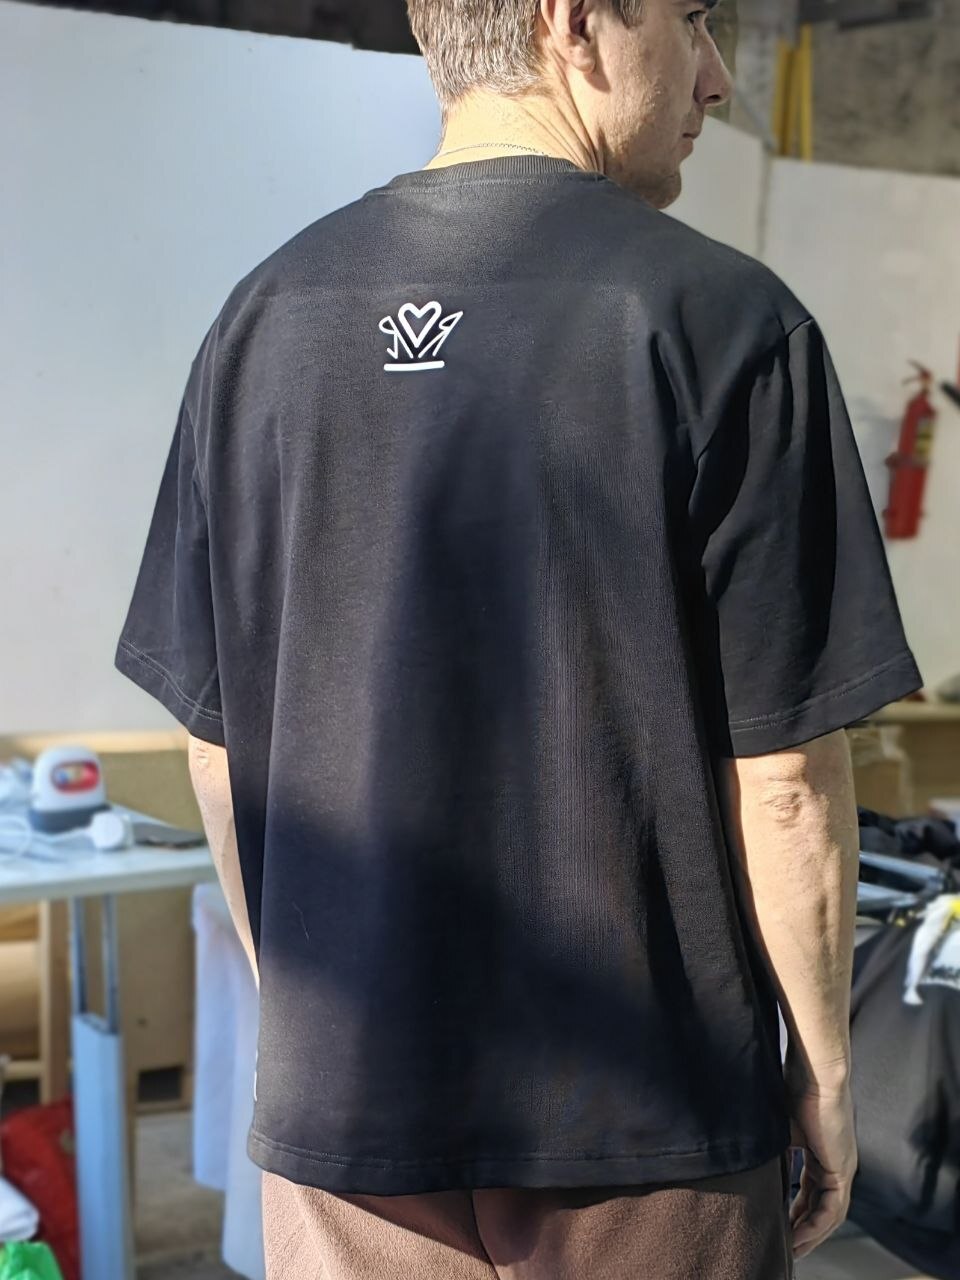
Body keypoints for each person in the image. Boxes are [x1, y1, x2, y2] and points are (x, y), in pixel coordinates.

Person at [116, 1, 923, 1276]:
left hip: (349, 1129)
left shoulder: (260, 321)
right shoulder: (725, 321)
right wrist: (823, 1072)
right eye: (695, 20)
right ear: (576, 22)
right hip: (647, 1124)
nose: (717, 78)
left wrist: (314, 1016)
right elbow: (782, 781)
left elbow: (218, 746)